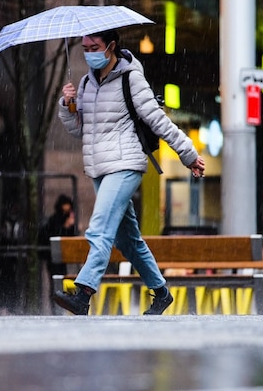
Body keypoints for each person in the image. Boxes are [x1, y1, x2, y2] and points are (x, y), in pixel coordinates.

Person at [54, 29, 205, 316]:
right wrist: (67, 105)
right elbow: (77, 130)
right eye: (85, 48)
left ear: (111, 46)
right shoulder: (85, 83)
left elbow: (157, 119)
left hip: (125, 164)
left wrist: (188, 153)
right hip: (99, 167)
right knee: (127, 240)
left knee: (99, 227)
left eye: (94, 47)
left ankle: (83, 293)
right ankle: (161, 292)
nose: (89, 53)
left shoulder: (130, 77)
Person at [39, 194, 77, 276]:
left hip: (61, 253)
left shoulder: (67, 218)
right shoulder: (55, 219)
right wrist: (66, 227)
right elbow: (55, 235)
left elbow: (70, 236)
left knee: (61, 274)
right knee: (55, 274)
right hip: (52, 252)